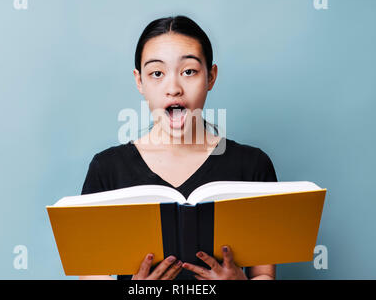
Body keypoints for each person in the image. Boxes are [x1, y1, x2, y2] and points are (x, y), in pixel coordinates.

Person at [79, 15, 277, 280]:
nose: (173, 88)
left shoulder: (253, 166)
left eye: (189, 71)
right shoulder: (107, 170)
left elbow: (264, 275)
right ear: (140, 81)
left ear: (211, 76)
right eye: (157, 73)